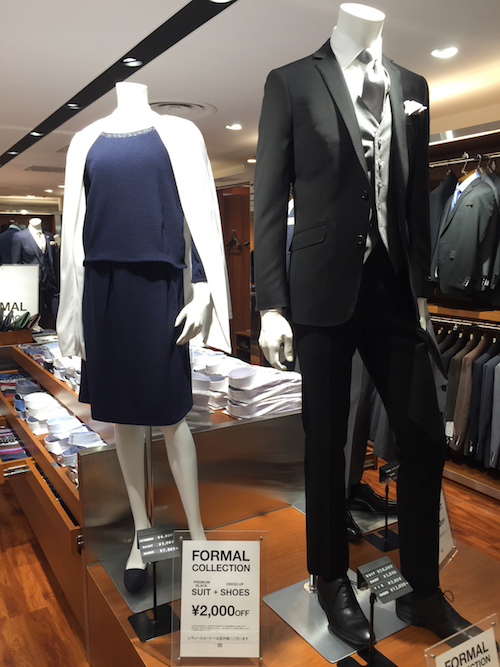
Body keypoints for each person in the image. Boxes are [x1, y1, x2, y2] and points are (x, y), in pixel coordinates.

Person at [254, 2, 473, 648]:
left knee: (423, 433)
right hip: (322, 288)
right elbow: (268, 196)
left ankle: (422, 588)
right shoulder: (292, 82)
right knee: (325, 440)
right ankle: (329, 576)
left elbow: (413, 197)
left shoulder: (412, 86)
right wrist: (271, 304)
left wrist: (422, 292)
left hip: (394, 288)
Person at [57, 82, 231, 593]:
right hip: (103, 291)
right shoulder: (85, 140)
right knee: (123, 419)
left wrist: (204, 290)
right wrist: (73, 314)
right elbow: (73, 234)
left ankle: (198, 535)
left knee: (172, 416)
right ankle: (142, 531)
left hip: (160, 288)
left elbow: (200, 214)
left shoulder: (179, 132)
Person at [11, 217, 59, 321]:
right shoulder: (20, 237)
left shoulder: (48, 236)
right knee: (36, 318)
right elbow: (16, 263)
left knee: (58, 314)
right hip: (32, 284)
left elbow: (53, 259)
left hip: (50, 281)